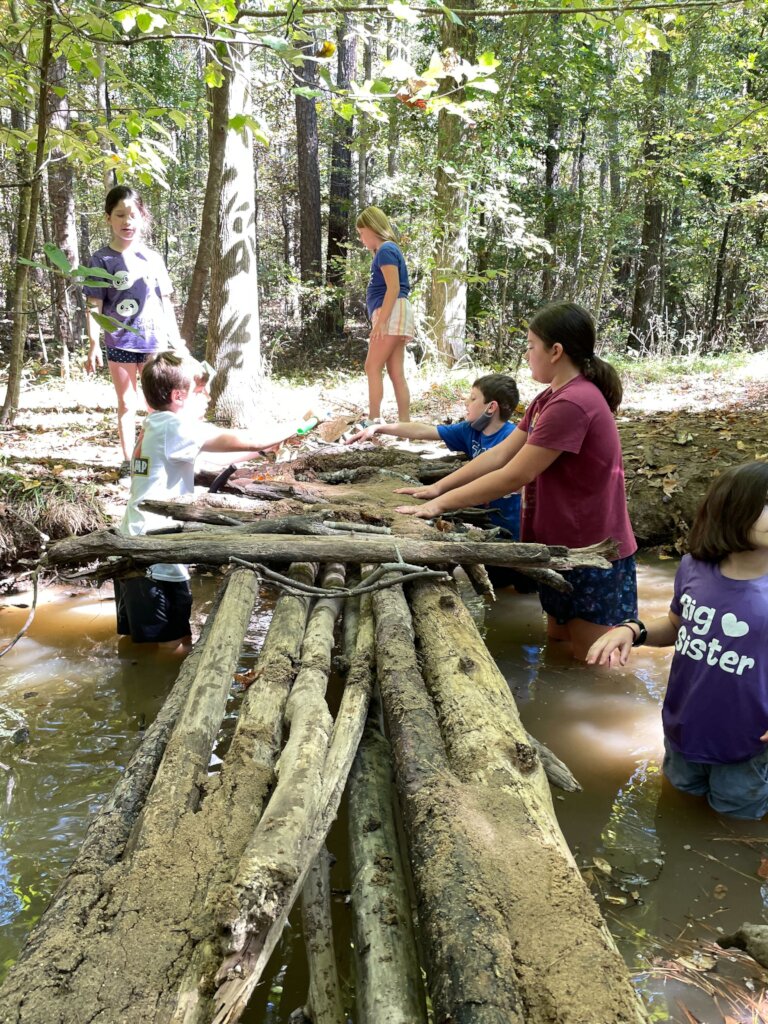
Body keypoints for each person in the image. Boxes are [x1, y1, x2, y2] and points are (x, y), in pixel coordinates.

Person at [395, 302, 637, 660]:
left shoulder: (573, 402)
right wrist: (438, 488)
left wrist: (440, 505)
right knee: (559, 647)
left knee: (595, 664)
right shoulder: (548, 398)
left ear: (556, 351)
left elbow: (515, 475)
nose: (526, 354)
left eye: (530, 345)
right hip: (561, 548)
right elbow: (498, 456)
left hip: (592, 550)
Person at [587, 461, 768, 820]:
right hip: (684, 729)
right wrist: (633, 630)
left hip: (748, 742)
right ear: (731, 509)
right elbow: (677, 624)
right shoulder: (693, 568)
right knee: (677, 809)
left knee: (736, 824)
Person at [116, 351, 298, 651]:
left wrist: (264, 451)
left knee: (138, 641)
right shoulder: (174, 426)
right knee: (175, 646)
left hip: (132, 543)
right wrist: (303, 423)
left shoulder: (157, 425)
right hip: (156, 555)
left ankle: (130, 678)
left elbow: (213, 457)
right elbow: (250, 438)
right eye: (201, 391)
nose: (208, 398)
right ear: (178, 396)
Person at [84, 185, 186, 476]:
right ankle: (130, 464)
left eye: (132, 215)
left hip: (154, 343)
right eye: (120, 215)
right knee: (127, 404)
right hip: (119, 342)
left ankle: (156, 459)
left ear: (142, 217)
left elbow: (165, 303)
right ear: (108, 218)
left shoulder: (153, 259)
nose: (127, 222)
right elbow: (94, 305)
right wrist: (93, 344)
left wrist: (176, 341)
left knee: (158, 406)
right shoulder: (101, 260)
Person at [346, 373, 522, 540]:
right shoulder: (470, 429)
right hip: (478, 516)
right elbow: (423, 430)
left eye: (473, 398)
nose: (466, 402)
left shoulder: (513, 437)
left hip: (509, 523)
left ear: (491, 407)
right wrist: (379, 428)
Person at [356, 206, 414, 423]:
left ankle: (373, 420)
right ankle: (405, 425)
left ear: (373, 228)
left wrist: (380, 322)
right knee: (396, 371)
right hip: (395, 312)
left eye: (362, 233)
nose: (361, 239)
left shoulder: (386, 250)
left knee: (372, 366)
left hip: (390, 312)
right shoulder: (386, 251)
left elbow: (393, 287)